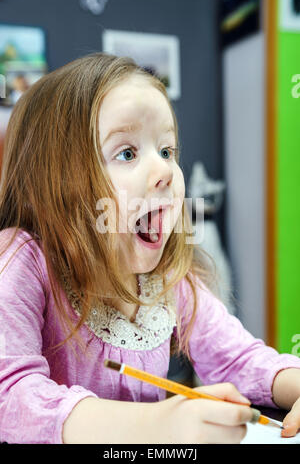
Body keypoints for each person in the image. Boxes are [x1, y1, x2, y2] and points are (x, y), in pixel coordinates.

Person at [0, 53, 299, 445]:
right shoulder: (22, 261)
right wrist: (158, 424)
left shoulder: (170, 281)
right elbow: (11, 397)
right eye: (127, 153)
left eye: (166, 151)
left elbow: (239, 359)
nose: (166, 173)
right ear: (54, 182)